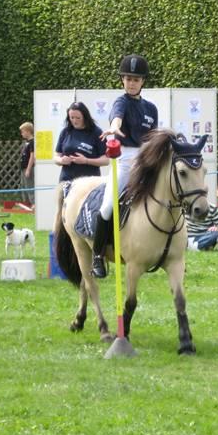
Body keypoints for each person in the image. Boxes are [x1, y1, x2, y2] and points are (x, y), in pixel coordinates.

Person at [92, 54, 158, 278]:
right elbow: (117, 118)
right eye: (128, 79)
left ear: (143, 82)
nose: (131, 83)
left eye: (136, 79)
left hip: (146, 159)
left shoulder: (151, 109)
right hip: (125, 160)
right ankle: (98, 255)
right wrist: (113, 127)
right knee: (108, 206)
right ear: (122, 80)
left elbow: (152, 138)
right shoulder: (121, 102)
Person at [54, 101, 108, 181]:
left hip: (89, 182)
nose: (74, 121)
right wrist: (61, 160)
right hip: (67, 180)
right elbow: (56, 157)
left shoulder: (96, 132)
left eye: (78, 118)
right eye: (71, 118)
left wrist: (86, 161)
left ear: (85, 117)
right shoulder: (65, 132)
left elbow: (106, 160)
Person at [18, 122, 35, 209]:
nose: (22, 134)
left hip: (29, 168)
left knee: (30, 185)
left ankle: (34, 204)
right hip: (23, 168)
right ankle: (27, 203)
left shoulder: (32, 142)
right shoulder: (27, 142)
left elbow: (32, 156)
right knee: (24, 185)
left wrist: (28, 169)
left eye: (23, 132)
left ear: (28, 131)